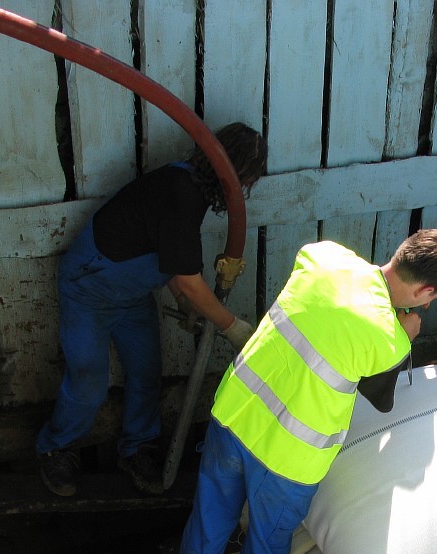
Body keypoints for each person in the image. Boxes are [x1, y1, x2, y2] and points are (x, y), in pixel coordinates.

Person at [169, 229, 437, 554]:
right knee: (268, 539)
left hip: (235, 417)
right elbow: (380, 398)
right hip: (289, 459)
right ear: (426, 290)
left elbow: (329, 313)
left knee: (208, 518)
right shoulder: (389, 339)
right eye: (432, 299)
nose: (428, 305)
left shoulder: (323, 257)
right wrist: (407, 335)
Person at [36, 122, 268, 498]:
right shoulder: (181, 193)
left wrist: (184, 303)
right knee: (88, 381)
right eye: (242, 181)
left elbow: (174, 267)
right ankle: (55, 448)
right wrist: (231, 326)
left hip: (131, 295)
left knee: (146, 372)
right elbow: (189, 279)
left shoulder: (187, 190)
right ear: (229, 173)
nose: (239, 193)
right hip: (89, 288)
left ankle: (136, 449)